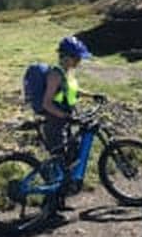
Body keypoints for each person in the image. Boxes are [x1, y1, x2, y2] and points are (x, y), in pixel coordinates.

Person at [40, 36, 106, 209]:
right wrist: (65, 117)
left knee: (69, 159)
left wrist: (92, 95)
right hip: (55, 124)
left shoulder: (66, 73)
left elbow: (72, 92)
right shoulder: (55, 74)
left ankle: (59, 199)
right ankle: (49, 206)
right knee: (58, 163)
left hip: (65, 123)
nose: (79, 61)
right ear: (66, 57)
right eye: (77, 58)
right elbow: (46, 103)